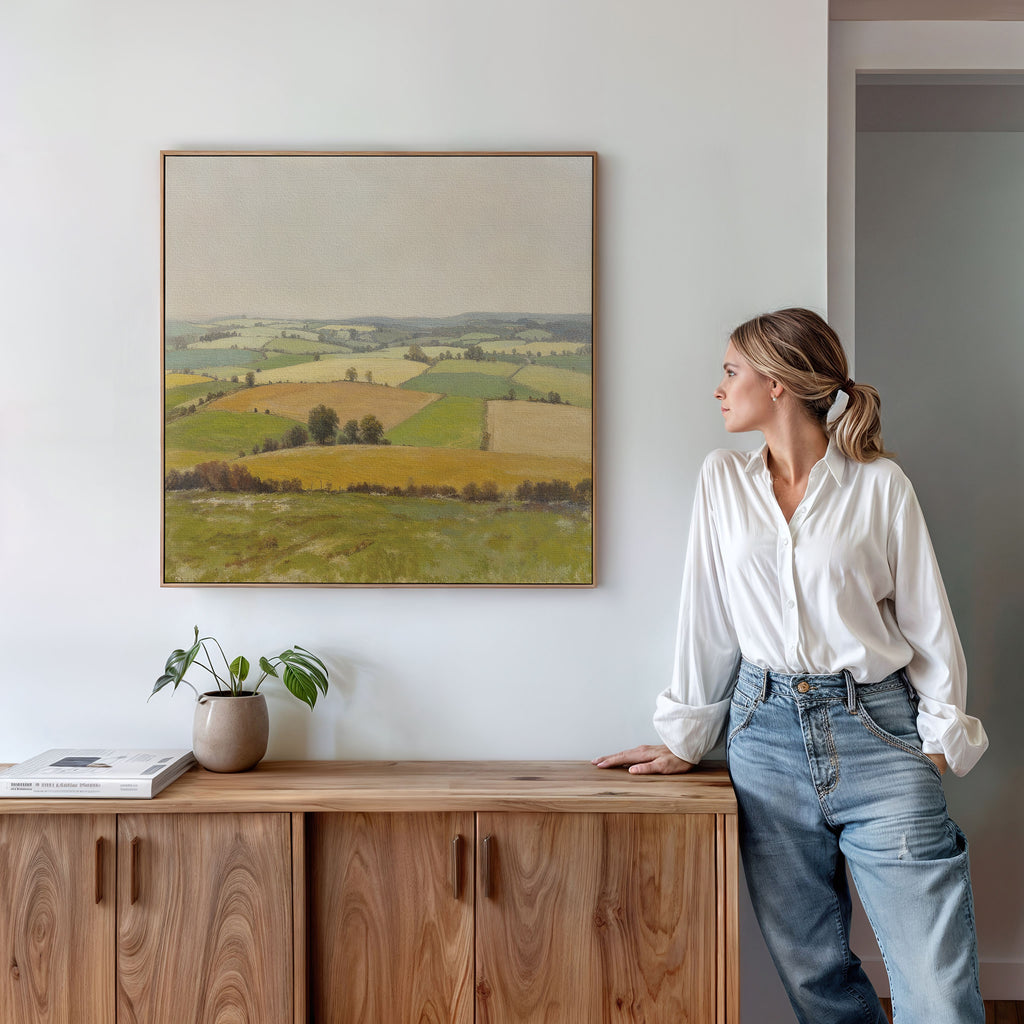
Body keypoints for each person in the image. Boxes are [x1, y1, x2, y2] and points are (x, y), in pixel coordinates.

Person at [594, 308, 988, 1024]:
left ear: (777, 384)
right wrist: (687, 737)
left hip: (879, 730)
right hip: (763, 735)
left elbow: (929, 622)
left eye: (730, 371)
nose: (719, 388)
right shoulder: (722, 481)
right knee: (815, 979)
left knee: (937, 989)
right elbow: (705, 617)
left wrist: (935, 741)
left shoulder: (880, 486)